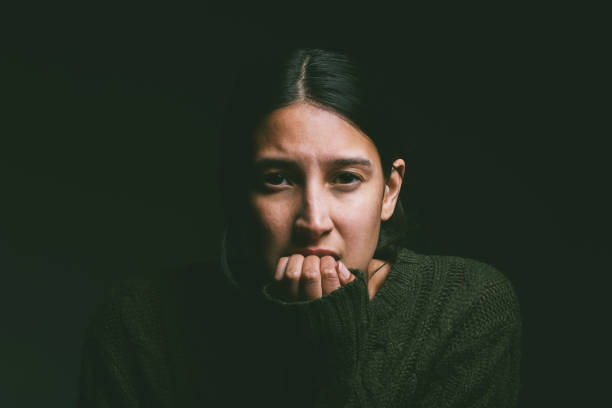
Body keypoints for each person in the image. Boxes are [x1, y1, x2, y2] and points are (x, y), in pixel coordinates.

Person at [77, 47, 522, 407]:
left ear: (388, 191)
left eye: (346, 179)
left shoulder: (464, 306)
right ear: (238, 193)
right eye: (278, 179)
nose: (314, 221)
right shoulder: (142, 322)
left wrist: (323, 360)